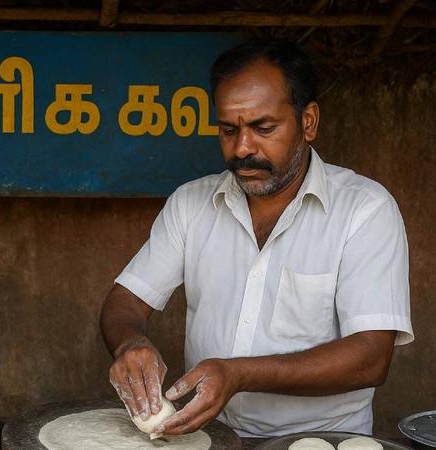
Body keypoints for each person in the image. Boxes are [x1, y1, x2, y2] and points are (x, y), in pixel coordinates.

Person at [99, 39, 414, 438]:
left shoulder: (364, 210)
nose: (243, 148)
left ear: (309, 122)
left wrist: (239, 374)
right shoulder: (191, 204)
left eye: (263, 128)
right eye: (228, 130)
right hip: (212, 436)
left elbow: (371, 357)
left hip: (322, 440)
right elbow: (125, 300)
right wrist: (129, 344)